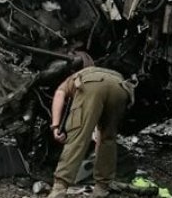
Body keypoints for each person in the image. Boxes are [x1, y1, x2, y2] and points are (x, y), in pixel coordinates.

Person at [48, 64, 135, 198]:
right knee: (108, 138)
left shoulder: (70, 80)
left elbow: (59, 95)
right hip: (120, 87)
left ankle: (60, 187)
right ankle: (101, 187)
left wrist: (55, 126)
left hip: (92, 85)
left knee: (78, 136)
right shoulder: (103, 72)